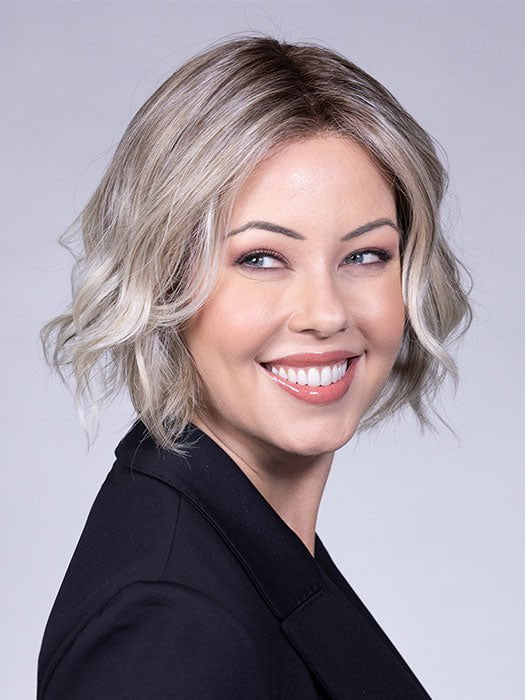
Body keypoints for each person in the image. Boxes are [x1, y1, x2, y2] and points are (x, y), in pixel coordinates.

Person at [37, 35, 473, 699]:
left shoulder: (255, 549)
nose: (325, 313)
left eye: (364, 256)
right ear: (162, 280)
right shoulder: (164, 633)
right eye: (261, 259)